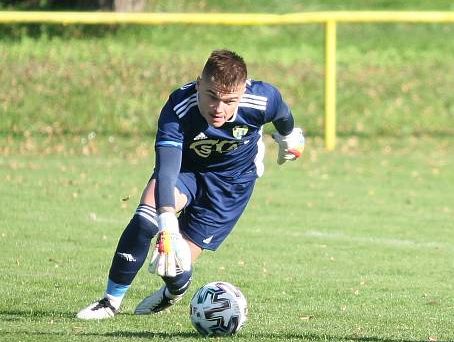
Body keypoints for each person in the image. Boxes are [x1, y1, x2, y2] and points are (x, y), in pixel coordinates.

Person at [77, 49, 305, 320]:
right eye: (211, 96)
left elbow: (282, 114)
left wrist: (289, 135)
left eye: (229, 101)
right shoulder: (178, 107)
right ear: (198, 84)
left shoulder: (263, 98)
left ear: (243, 93)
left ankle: (174, 291)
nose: (219, 108)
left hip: (231, 185)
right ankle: (110, 301)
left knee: (174, 266)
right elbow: (167, 169)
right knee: (145, 220)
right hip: (186, 170)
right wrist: (167, 223)